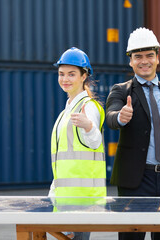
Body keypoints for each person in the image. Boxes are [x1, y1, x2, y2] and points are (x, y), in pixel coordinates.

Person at [106, 27, 160, 240]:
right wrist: (120, 117)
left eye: (149, 56)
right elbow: (110, 116)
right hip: (136, 180)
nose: (144, 61)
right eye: (138, 57)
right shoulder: (121, 90)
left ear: (157, 58)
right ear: (131, 61)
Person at [50, 47, 106, 240]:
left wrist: (89, 126)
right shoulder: (65, 112)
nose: (65, 79)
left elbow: (95, 141)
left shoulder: (88, 107)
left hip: (81, 201)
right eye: (61, 74)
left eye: (71, 74)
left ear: (84, 76)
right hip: (65, 200)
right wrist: (54, 189)